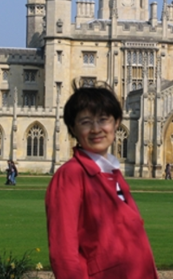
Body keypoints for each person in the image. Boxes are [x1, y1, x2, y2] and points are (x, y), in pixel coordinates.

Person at [45, 81, 158, 279]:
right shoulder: (71, 175)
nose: (96, 129)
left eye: (103, 120)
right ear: (73, 128)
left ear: (116, 123)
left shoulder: (113, 173)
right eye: (86, 122)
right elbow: (64, 253)